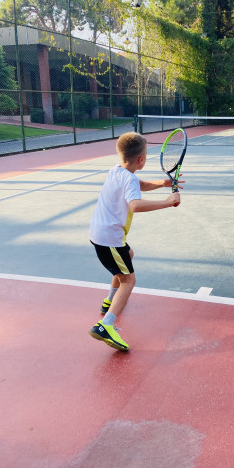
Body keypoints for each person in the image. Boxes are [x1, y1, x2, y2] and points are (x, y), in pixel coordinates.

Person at [88, 132, 183, 351]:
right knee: (129, 280)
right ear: (141, 159)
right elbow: (136, 205)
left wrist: (162, 183)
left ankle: (110, 300)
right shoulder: (129, 178)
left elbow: (138, 184)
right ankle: (105, 326)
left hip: (99, 234)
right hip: (110, 239)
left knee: (128, 256)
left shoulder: (116, 170)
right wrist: (167, 201)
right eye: (146, 154)